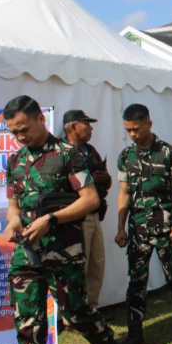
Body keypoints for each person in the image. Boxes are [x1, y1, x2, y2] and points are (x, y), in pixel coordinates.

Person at [2, 95, 126, 344]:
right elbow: (13, 204)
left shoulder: (68, 155)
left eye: (23, 129)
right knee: (27, 322)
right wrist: (13, 219)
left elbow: (90, 199)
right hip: (27, 254)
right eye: (13, 132)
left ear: (40, 119)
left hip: (63, 251)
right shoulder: (15, 161)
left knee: (77, 314)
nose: (19, 136)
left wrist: (51, 219)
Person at [115, 103, 172, 344]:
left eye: (136, 129)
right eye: (128, 130)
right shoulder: (126, 155)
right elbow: (123, 193)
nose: (132, 134)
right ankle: (135, 334)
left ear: (149, 123)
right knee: (136, 282)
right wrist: (120, 227)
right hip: (138, 230)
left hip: (167, 228)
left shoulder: (168, 152)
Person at [61, 110, 112, 313]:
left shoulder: (90, 150)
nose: (91, 128)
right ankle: (74, 313)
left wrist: (105, 178)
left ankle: (91, 310)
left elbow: (106, 181)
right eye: (86, 124)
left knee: (96, 265)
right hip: (75, 219)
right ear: (73, 127)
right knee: (77, 268)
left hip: (94, 215)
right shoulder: (60, 152)